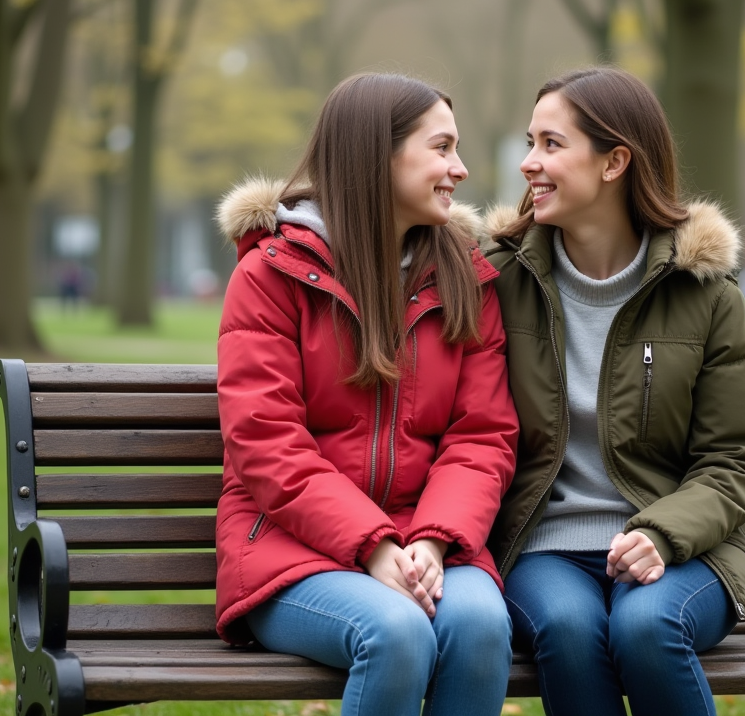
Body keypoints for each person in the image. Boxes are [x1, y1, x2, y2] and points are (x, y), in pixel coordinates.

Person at [213, 73, 519, 716]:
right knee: (396, 631)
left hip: (429, 541)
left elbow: (482, 436)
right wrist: (372, 547)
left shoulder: (465, 282)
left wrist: (432, 541)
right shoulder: (271, 275)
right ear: (377, 156)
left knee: (481, 626)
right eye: (441, 148)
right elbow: (266, 441)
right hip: (291, 550)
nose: (460, 168)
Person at [484, 67, 745, 716]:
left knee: (646, 627)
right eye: (530, 143)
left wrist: (663, 533)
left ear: (615, 162)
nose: (529, 163)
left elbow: (736, 459)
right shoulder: (499, 280)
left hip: (684, 547)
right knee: (569, 629)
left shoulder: (706, 294)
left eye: (551, 144)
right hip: (543, 549)